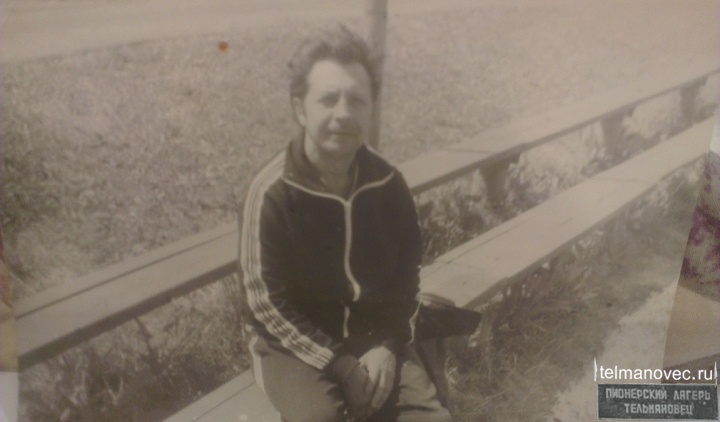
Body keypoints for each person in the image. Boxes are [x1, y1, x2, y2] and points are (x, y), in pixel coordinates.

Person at [238, 25, 452, 422]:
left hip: (373, 336)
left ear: (371, 109)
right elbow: (264, 303)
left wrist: (387, 345)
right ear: (300, 109)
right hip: (294, 346)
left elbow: (406, 277)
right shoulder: (272, 192)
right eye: (328, 99)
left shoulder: (388, 182)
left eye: (357, 100)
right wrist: (341, 365)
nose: (344, 114)